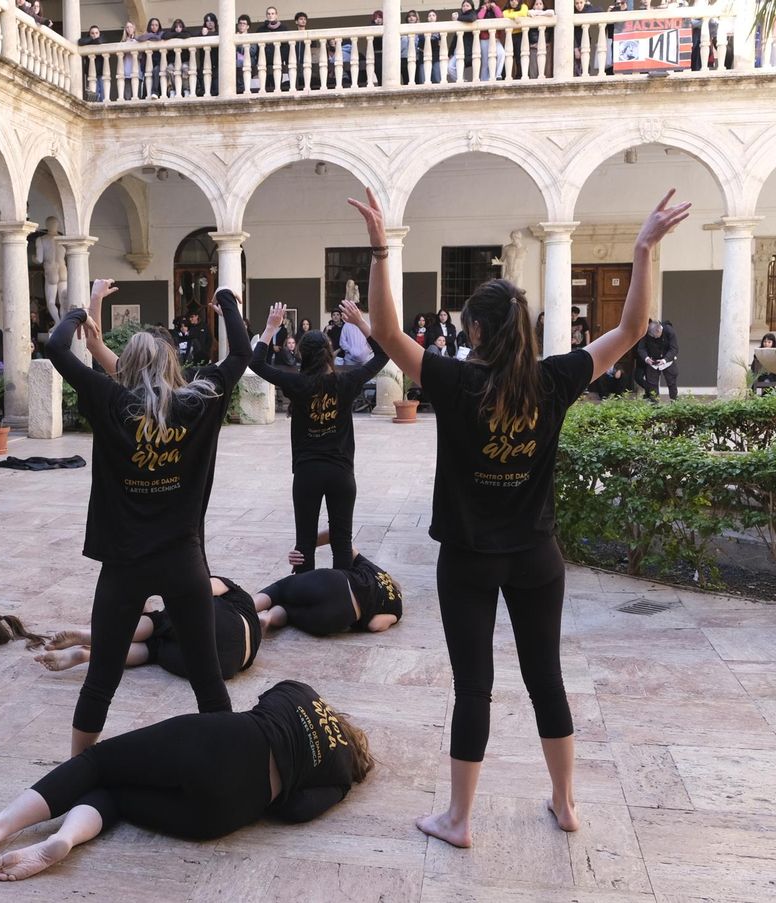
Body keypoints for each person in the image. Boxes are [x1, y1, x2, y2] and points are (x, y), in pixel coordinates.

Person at [348, 185, 690, 848]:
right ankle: (565, 802)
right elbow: (630, 332)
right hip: (537, 558)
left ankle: (459, 818)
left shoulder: (455, 380)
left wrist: (381, 246)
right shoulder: (554, 379)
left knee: (474, 687)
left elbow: (386, 332)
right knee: (546, 678)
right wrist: (643, 249)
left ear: (473, 330)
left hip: (470, 559)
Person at [41, 278, 248, 756]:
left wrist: (78, 312)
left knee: (101, 680)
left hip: (124, 564)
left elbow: (55, 348)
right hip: (183, 561)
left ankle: (77, 770)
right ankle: (234, 762)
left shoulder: (109, 400)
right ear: (171, 363)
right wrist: (225, 302)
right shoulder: (197, 402)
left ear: (125, 367)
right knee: (208, 681)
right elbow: (239, 355)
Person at [0, 680, 373, 882]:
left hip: (224, 742)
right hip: (228, 811)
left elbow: (264, 699)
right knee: (117, 798)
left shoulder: (305, 694)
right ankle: (66, 840)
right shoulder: (338, 782)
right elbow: (296, 811)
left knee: (100, 763)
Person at [250, 300, 388, 574]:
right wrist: (360, 322)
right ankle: (343, 603)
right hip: (341, 473)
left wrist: (270, 329)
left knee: (304, 543)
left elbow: (256, 363)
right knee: (342, 542)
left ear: (302, 355)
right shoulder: (346, 381)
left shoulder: (296, 383)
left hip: (307, 473)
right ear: (329, 354)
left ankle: (304, 601)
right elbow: (383, 356)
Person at [35, 575, 261, 679]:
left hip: (230, 629)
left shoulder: (230, 588)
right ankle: (85, 654)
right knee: (152, 649)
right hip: (226, 667)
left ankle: (90, 636)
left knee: (159, 624)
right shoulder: (240, 598)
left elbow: (197, 589)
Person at [254, 532, 402, 634]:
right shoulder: (396, 609)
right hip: (338, 616)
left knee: (279, 590)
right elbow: (374, 625)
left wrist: (304, 546)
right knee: (288, 612)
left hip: (334, 582)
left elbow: (337, 536)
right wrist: (391, 620)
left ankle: (244, 607)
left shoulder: (375, 570)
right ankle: (268, 618)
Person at [634, 319, 679, 402]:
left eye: (655, 336)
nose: (654, 338)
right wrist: (646, 358)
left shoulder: (669, 331)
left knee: (672, 383)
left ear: (659, 330)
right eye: (652, 336)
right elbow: (641, 348)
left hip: (667, 361)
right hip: (652, 362)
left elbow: (674, 349)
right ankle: (655, 406)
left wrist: (665, 360)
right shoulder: (646, 333)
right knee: (652, 385)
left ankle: (674, 404)